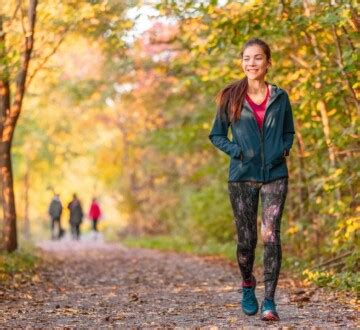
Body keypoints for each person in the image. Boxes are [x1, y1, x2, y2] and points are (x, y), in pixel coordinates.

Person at [208, 38, 295, 321]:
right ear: (241, 62)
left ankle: (269, 301)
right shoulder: (230, 96)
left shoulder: (280, 97)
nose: (252, 63)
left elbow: (289, 132)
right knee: (247, 239)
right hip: (242, 177)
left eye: (258, 58)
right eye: (247, 58)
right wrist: (238, 152)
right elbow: (217, 135)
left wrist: (283, 149)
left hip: (275, 174)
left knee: (271, 236)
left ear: (268, 62)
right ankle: (248, 284)